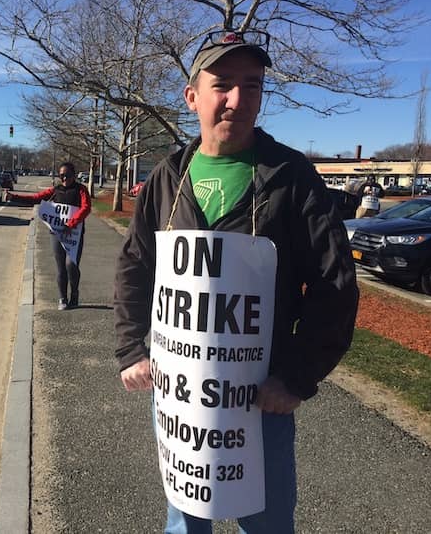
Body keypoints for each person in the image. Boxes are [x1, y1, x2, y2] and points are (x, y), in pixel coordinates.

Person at [113, 28, 359, 533]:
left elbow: (335, 286)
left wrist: (295, 377)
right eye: (222, 83)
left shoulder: (291, 176)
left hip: (259, 398)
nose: (238, 99)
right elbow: (137, 265)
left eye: (252, 84)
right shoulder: (168, 174)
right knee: (184, 521)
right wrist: (131, 352)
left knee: (265, 524)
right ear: (192, 96)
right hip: (179, 394)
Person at [7, 162, 91, 310]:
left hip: (74, 235)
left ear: (74, 175)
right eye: (62, 175)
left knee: (71, 265)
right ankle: (62, 298)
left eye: (68, 175)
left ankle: (75, 293)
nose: (64, 178)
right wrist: (13, 197)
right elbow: (35, 198)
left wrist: (71, 224)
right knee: (61, 268)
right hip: (57, 234)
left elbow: (86, 207)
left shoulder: (81, 190)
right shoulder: (55, 191)